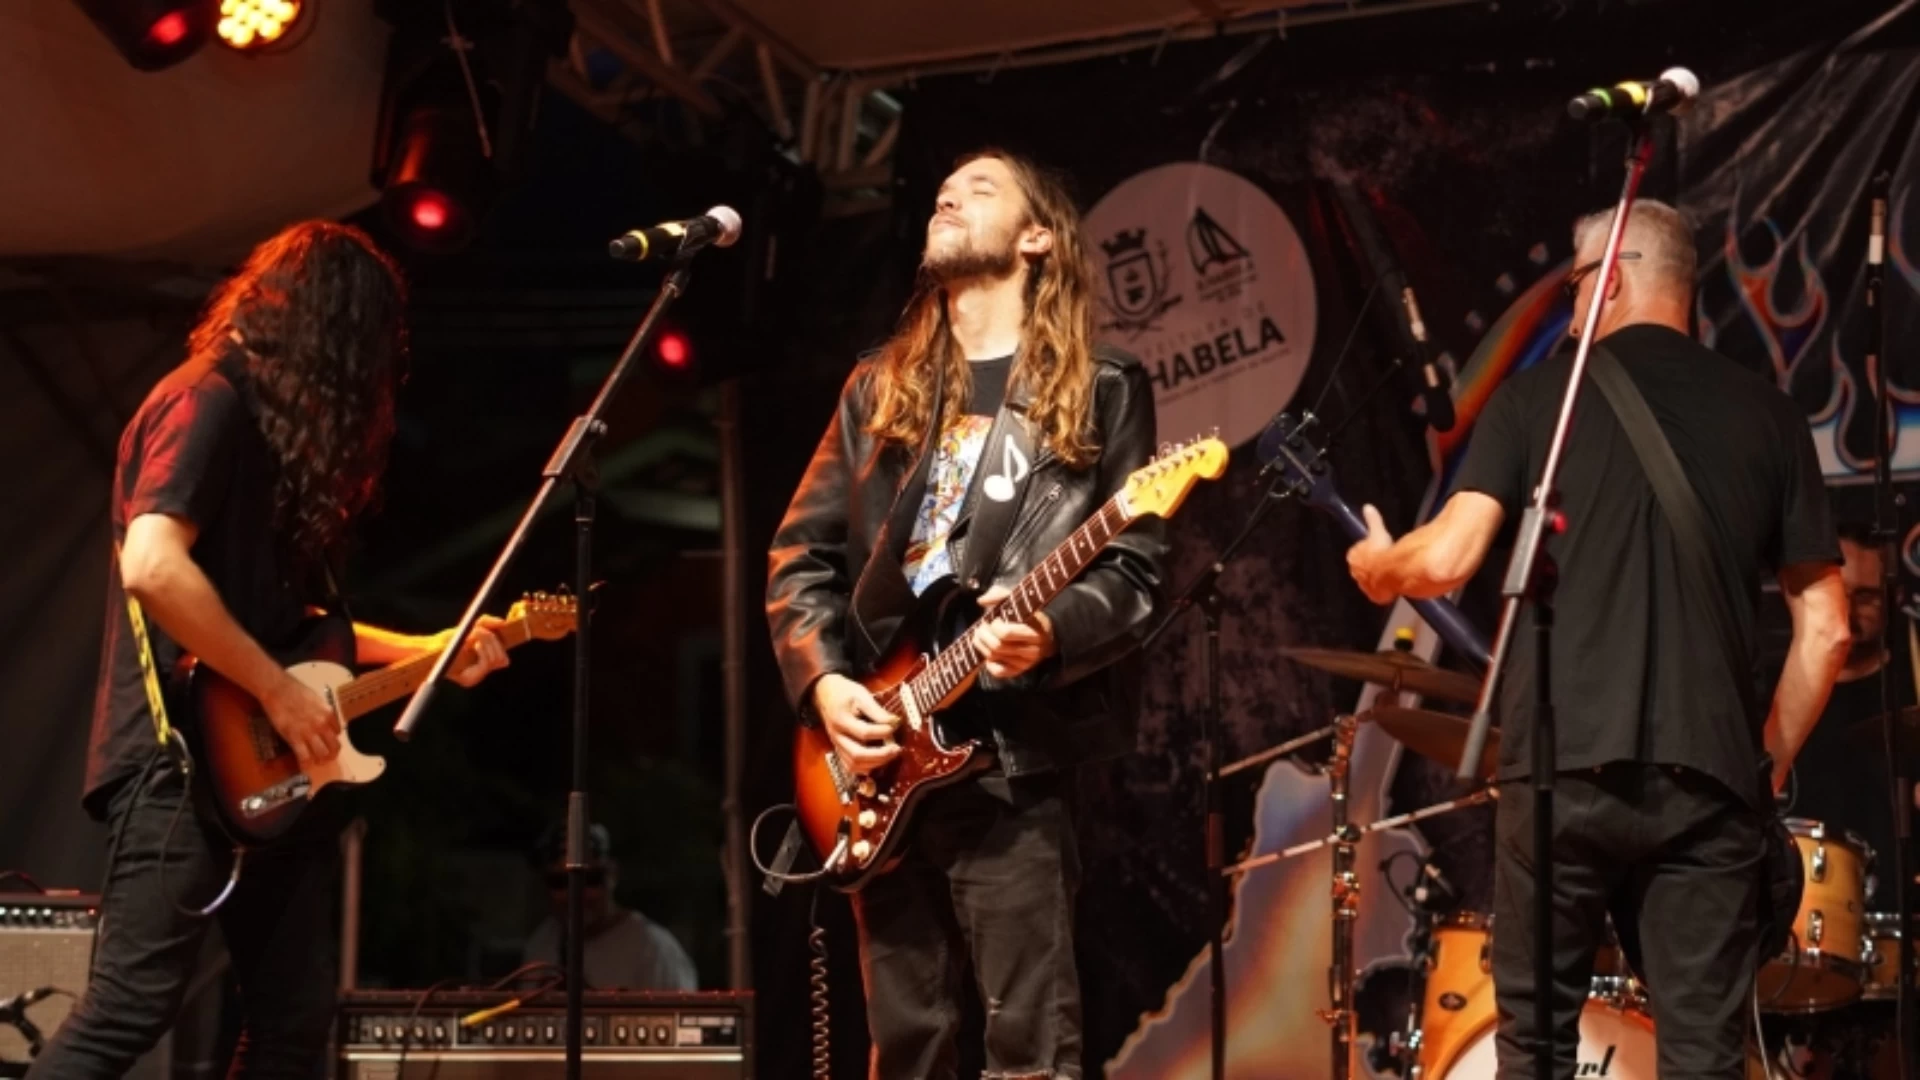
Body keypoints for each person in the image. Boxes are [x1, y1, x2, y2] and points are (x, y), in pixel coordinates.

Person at [1345, 199, 1851, 1080]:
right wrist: (1763, 761)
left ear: (1608, 280)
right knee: (1705, 1058)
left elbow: (1449, 558)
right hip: (1707, 780)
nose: (1571, 309)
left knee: (1536, 1049)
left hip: (1560, 773)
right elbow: (1830, 629)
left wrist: (1383, 567)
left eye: (1574, 286)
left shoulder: (1536, 400)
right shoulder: (1769, 416)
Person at [30, 222, 512, 1079]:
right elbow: (153, 566)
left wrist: (432, 649)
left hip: (272, 769)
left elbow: (297, 630)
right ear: (333, 332)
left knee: (293, 1019)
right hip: (180, 762)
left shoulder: (267, 435)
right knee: (128, 1011)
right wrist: (280, 693)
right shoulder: (203, 400)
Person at [765, 148, 1166, 1080]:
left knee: (1031, 1051)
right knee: (905, 1047)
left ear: (1037, 239)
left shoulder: (1103, 384)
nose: (948, 199)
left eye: (980, 191)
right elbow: (799, 556)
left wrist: (1054, 632)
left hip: (1007, 760)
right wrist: (825, 685)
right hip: (879, 753)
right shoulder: (878, 387)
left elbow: (1136, 571)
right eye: (943, 192)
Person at [1780, 520, 1918, 884]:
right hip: (1801, 898)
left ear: (1893, 599)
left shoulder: (1912, 689)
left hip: (1894, 899)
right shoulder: (1778, 691)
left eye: (1866, 596)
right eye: (1838, 592)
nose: (1847, 609)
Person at [521, 823, 697, 990]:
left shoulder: (652, 949)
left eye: (591, 879)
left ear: (613, 875)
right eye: (559, 882)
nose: (575, 894)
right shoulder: (542, 942)